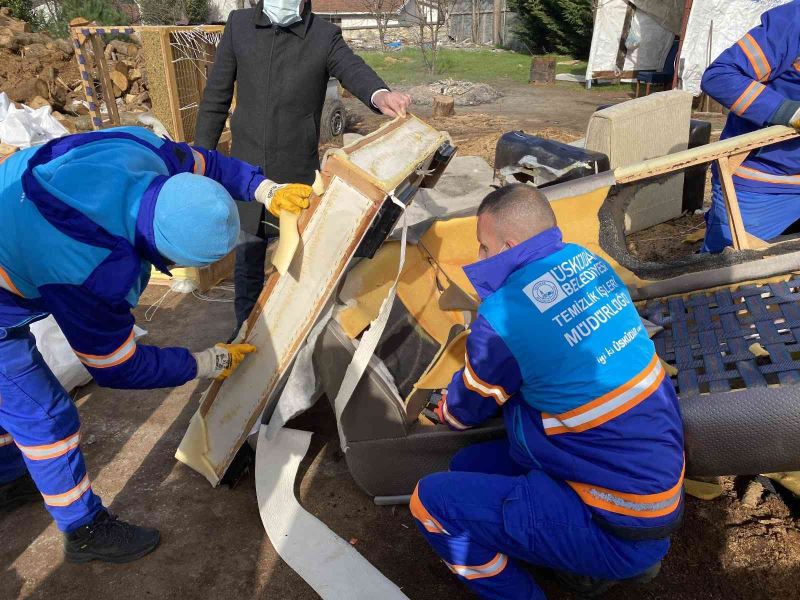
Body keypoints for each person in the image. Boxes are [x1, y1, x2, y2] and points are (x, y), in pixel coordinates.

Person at [0, 126, 311, 563]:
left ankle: (9, 476)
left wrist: (263, 188)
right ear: (162, 257)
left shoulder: (142, 151)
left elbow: (206, 162)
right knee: (45, 418)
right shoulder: (91, 266)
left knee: (14, 408)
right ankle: (83, 530)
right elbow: (116, 365)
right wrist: (206, 362)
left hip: (13, 218)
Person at [410, 184, 685, 599]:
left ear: (509, 245)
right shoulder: (586, 262)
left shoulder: (504, 316)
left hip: (614, 524)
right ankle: (587, 563)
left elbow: (464, 409)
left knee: (429, 503)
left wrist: (441, 407)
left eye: (483, 248)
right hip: (645, 493)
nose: (479, 258)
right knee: (467, 463)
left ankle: (562, 577)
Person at [194, 0, 412, 340]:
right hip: (244, 172)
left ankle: (290, 339)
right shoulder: (238, 26)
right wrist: (201, 159)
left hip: (295, 173)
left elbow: (352, 68)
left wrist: (380, 93)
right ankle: (243, 334)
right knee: (248, 260)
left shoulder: (322, 35)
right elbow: (215, 97)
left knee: (295, 264)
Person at [700, 1, 800, 253]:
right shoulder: (795, 20)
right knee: (725, 277)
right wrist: (790, 112)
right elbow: (721, 76)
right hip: (762, 183)